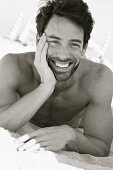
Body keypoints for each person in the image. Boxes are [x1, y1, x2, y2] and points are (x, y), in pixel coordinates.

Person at [0, 0, 113, 157]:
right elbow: (1, 124)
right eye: (54, 42)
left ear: (84, 48)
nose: (63, 54)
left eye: (74, 44)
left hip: (78, 122)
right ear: (39, 40)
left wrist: (71, 136)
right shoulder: (13, 66)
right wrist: (46, 86)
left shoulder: (99, 79)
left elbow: (101, 147)